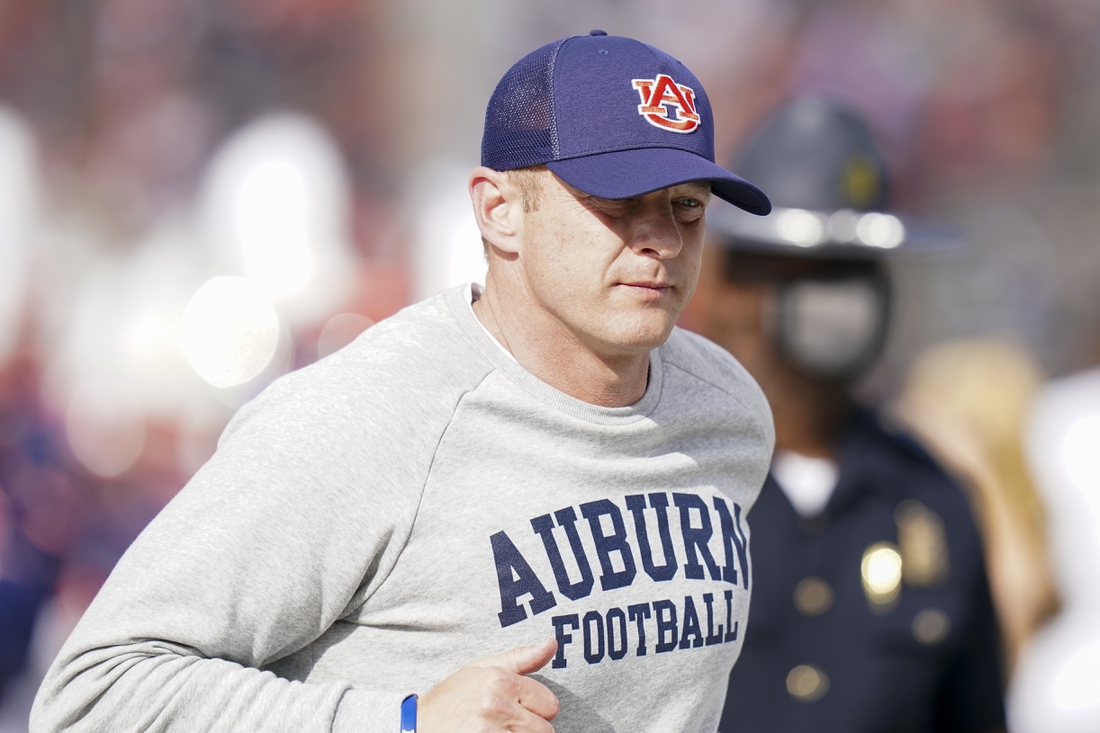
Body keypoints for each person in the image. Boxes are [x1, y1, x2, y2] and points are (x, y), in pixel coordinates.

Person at [31, 31, 776, 733]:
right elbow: (95, 692)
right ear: (498, 211)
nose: (663, 239)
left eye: (687, 206)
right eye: (618, 202)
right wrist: (402, 720)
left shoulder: (730, 414)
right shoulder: (367, 418)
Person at [682, 96, 1006, 733]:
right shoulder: (667, 474)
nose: (848, 298)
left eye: (861, 270)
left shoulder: (932, 499)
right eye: (817, 271)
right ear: (732, 285)